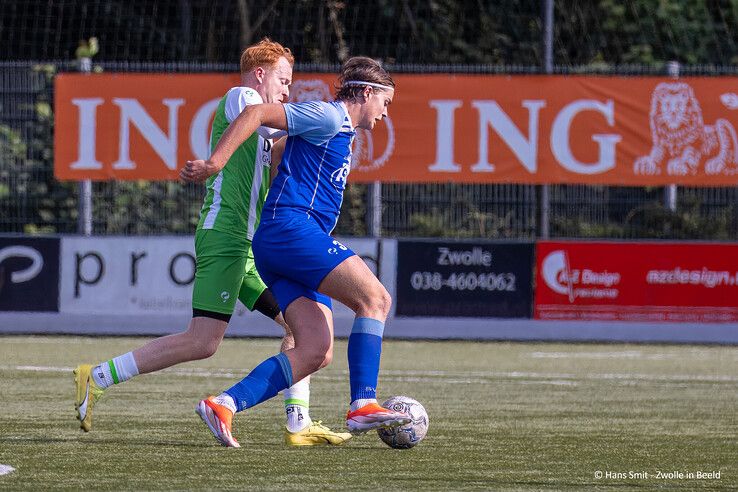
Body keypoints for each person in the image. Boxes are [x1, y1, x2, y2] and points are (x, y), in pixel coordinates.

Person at [74, 38, 351, 447]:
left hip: (248, 247)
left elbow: (280, 146)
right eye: (283, 79)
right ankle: (96, 376)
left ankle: (299, 421)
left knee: (300, 325)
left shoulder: (260, 129)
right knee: (203, 341)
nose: (287, 90)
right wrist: (217, 162)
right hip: (225, 237)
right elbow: (272, 120)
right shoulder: (242, 97)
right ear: (260, 75)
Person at [180, 56, 410, 447]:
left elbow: (278, 148)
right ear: (367, 93)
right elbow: (255, 112)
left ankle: (224, 404)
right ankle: (363, 403)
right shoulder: (329, 117)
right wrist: (216, 163)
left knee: (316, 351)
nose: (385, 114)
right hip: (291, 231)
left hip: (280, 240)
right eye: (385, 103)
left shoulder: (335, 129)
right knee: (376, 298)